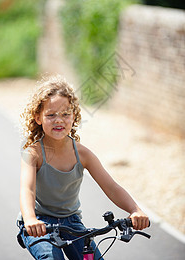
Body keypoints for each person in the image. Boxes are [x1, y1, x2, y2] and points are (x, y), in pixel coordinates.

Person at [17, 74, 149, 260]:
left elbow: (111, 187)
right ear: (38, 117)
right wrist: (30, 218)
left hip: (72, 222)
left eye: (65, 114)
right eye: (51, 115)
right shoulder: (33, 154)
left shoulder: (83, 154)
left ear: (74, 116)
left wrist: (135, 210)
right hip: (40, 222)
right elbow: (27, 191)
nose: (59, 120)